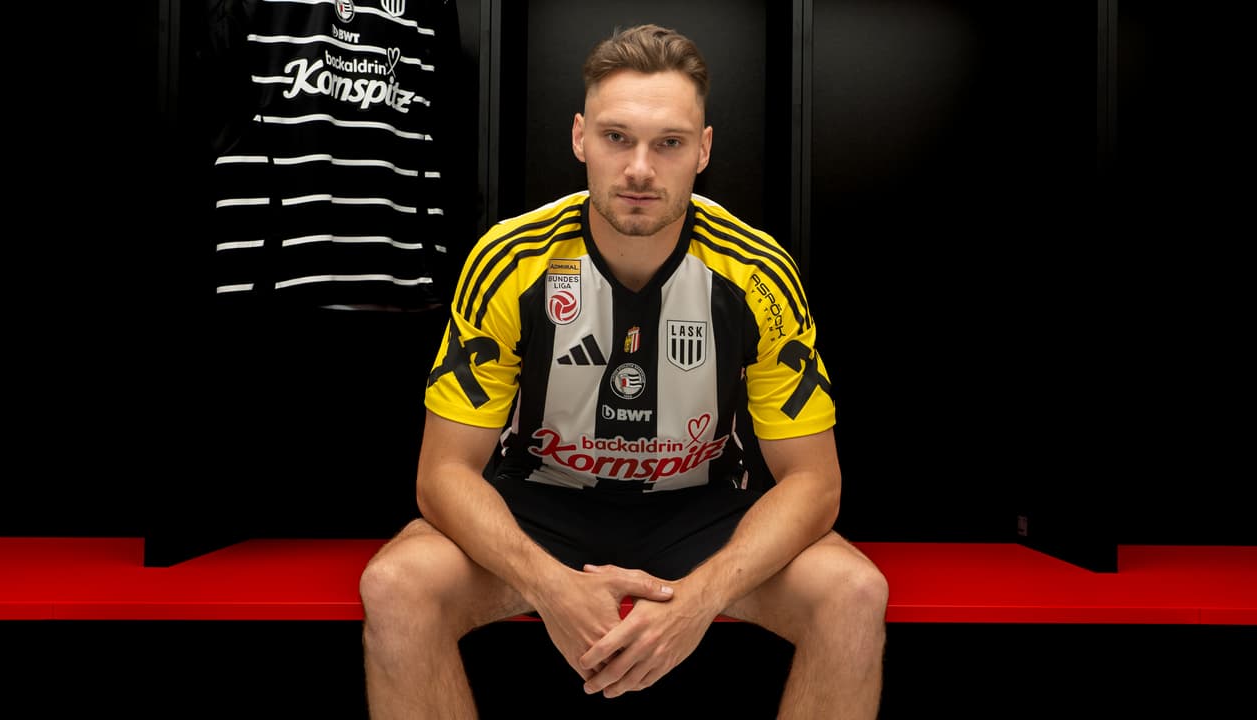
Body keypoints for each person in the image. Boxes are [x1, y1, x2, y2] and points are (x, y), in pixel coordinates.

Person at [358, 23, 888, 719]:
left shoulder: (758, 273)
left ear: (703, 150)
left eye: (669, 143)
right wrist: (551, 588)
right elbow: (443, 473)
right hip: (540, 506)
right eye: (617, 137)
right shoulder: (510, 260)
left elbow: (815, 482)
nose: (640, 168)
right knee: (397, 585)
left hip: (700, 512)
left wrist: (699, 600)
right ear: (580, 138)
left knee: (852, 593)